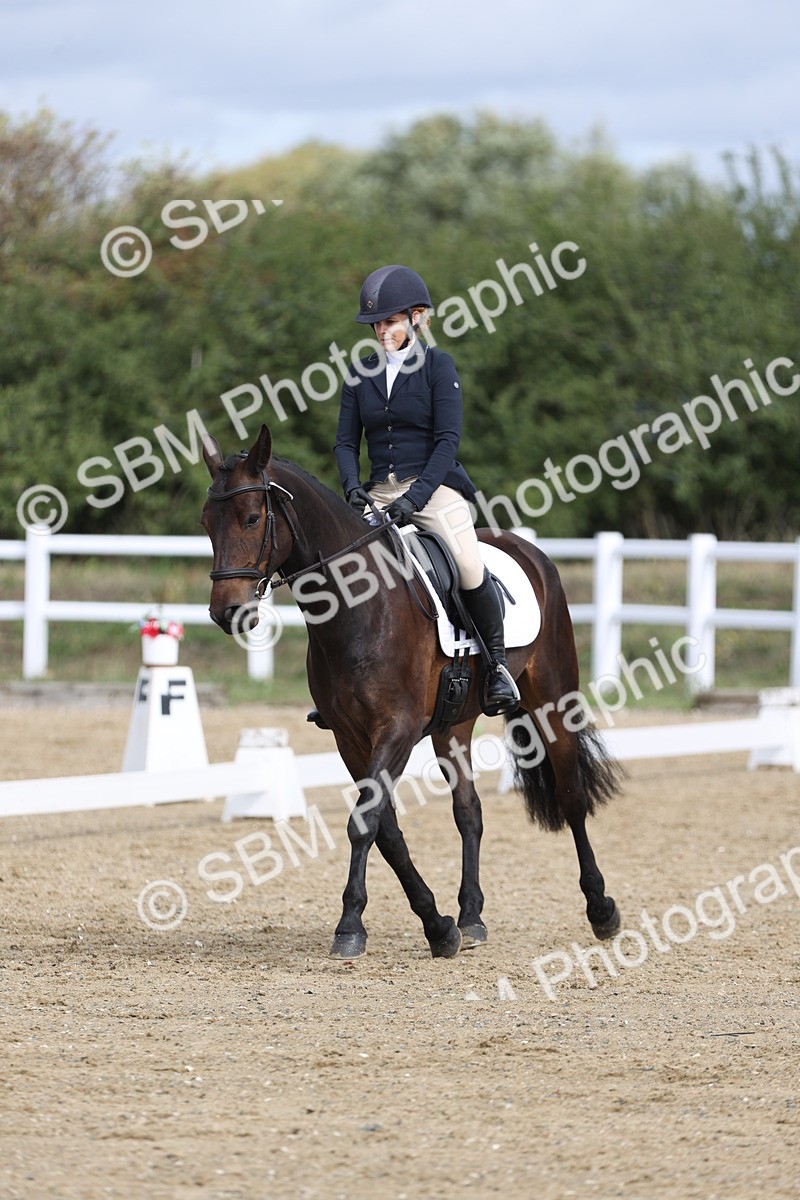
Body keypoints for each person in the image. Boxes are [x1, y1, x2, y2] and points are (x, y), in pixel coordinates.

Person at [332, 263, 520, 717]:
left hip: (431, 488)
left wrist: (414, 500)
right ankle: (340, 681)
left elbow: (447, 442)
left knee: (468, 564)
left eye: (390, 322)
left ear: (417, 317)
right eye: (376, 324)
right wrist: (354, 488)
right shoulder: (359, 375)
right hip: (378, 493)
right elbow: (344, 442)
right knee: (340, 572)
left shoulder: (439, 366)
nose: (381, 331)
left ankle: (496, 666)